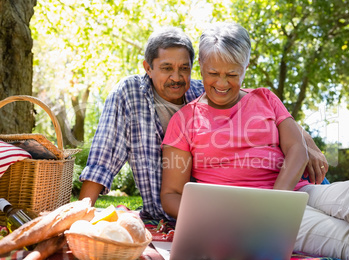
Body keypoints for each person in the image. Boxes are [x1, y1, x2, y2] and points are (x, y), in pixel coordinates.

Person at [160, 22, 349, 260]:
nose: (222, 83)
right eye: (213, 73)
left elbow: (297, 149)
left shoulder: (265, 98)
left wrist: (276, 204)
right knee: (345, 237)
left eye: (232, 74)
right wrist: (214, 221)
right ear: (200, 64)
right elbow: (171, 194)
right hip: (247, 215)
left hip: (295, 193)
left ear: (246, 67)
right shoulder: (184, 120)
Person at [79, 26, 327, 222]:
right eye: (166, 68)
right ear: (148, 68)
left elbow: (270, 113)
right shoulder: (129, 94)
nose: (176, 77)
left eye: (183, 68)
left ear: (193, 68)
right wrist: (79, 216)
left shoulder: (206, 89)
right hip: (176, 210)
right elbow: (103, 159)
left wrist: (308, 145)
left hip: (211, 211)